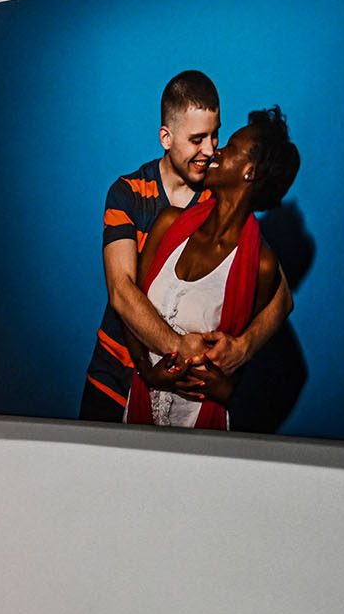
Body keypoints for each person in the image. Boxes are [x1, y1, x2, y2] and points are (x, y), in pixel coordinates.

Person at [78, 71, 293, 419]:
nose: (209, 150)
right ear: (166, 137)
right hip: (113, 376)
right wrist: (178, 352)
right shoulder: (128, 193)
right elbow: (122, 291)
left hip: (182, 401)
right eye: (197, 139)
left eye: (215, 135)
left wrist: (243, 347)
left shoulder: (217, 199)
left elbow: (282, 296)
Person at [123, 107, 301, 429]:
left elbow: (230, 379)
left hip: (197, 426)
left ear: (250, 172)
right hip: (138, 406)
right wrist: (147, 370)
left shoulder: (259, 264)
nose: (215, 151)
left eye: (230, 148)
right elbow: (130, 303)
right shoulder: (169, 223)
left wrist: (210, 376)